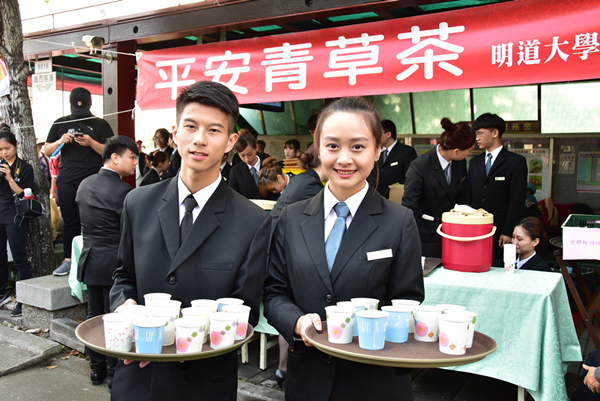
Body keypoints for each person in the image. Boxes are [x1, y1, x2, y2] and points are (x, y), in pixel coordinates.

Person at [109, 81, 271, 401]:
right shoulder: (137, 203)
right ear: (175, 134)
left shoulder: (253, 221)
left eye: (213, 130)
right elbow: (123, 276)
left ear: (230, 141)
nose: (199, 139)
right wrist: (124, 305)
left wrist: (192, 336)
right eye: (191, 126)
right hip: (138, 374)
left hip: (203, 381)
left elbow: (246, 309)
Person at [263, 97, 424, 401]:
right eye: (333, 146)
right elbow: (274, 291)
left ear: (377, 150)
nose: (344, 159)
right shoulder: (292, 217)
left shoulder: (399, 222)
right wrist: (296, 322)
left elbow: (406, 303)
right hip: (307, 381)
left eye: (358, 147)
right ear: (318, 148)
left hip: (372, 381)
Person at [76, 136, 138, 388]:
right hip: (114, 261)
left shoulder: (84, 184)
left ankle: (95, 370)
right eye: (132, 157)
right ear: (115, 157)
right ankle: (114, 374)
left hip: (90, 258)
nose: (135, 163)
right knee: (115, 319)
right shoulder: (124, 192)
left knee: (94, 316)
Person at [267, 143, 328, 390]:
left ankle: (283, 368)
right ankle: (283, 368)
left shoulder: (305, 179)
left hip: (278, 243)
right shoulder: (312, 185)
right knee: (293, 308)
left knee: (293, 310)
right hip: (281, 248)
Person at [45, 87, 114, 276]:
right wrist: (61, 141)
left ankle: (95, 259)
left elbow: (110, 153)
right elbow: (46, 150)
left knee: (96, 220)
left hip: (94, 180)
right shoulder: (60, 123)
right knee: (70, 220)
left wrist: (91, 143)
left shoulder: (100, 124)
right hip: (67, 179)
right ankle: (68, 260)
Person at [402, 117, 475, 258]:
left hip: (454, 232)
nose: (469, 153)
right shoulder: (420, 166)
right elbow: (409, 205)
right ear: (456, 151)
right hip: (426, 233)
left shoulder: (459, 163)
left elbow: (462, 194)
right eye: (469, 150)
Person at [468, 113, 528, 264]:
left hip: (500, 230)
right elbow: (468, 195)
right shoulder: (474, 162)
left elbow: (517, 200)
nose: (477, 139)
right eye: (476, 134)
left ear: (495, 133)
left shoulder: (516, 162)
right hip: (476, 229)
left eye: (480, 133)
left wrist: (508, 231)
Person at [0, 125, 34, 317]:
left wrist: (9, 177)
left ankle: (23, 300)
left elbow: (26, 194)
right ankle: (1, 293)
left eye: (7, 148)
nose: (4, 153)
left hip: (16, 216)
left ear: (15, 147)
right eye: (0, 149)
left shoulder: (25, 167)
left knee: (20, 257)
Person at [369, 119, 417, 196]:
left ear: (388, 134)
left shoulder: (406, 151)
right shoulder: (378, 152)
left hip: (396, 197)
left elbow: (411, 177)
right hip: (377, 197)